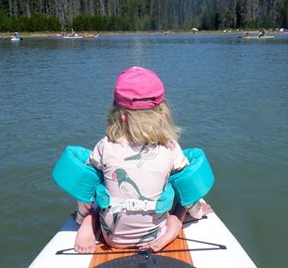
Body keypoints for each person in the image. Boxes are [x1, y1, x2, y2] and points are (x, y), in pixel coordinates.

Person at [74, 66, 212, 254]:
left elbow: (86, 186)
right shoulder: (170, 147)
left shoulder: (105, 145)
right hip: (155, 234)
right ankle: (173, 229)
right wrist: (197, 211)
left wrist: (84, 214)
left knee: (89, 179)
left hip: (112, 237)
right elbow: (187, 188)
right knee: (181, 194)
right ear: (162, 112)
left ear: (118, 114)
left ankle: (88, 222)